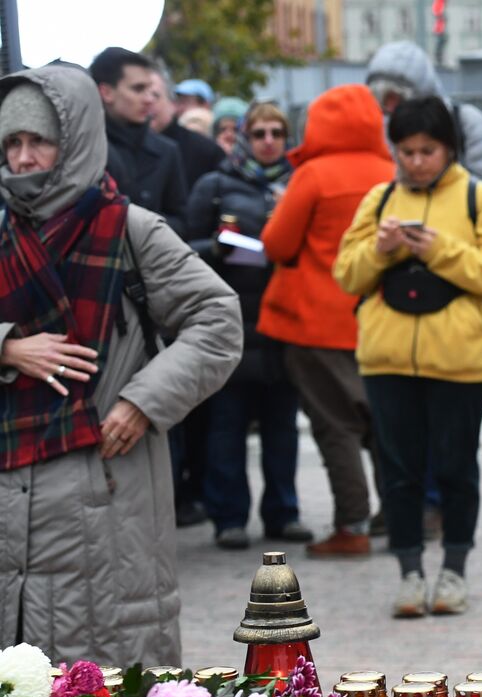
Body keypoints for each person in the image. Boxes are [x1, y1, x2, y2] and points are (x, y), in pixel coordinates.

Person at [0, 65, 241, 664]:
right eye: (12, 144)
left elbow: (217, 320)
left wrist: (142, 401)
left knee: (107, 691)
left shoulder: (131, 230)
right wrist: (5, 346)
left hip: (107, 486)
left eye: (39, 142)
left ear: (75, 139)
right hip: (9, 488)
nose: (24, 159)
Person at [334, 97, 482, 617]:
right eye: (407, 151)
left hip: (462, 364)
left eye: (428, 150)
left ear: (449, 149)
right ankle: (410, 574)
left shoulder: (477, 199)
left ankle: (454, 572)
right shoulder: (378, 199)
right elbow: (346, 275)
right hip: (387, 360)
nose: (417, 161)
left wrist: (438, 249)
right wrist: (382, 248)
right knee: (398, 471)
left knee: (457, 469)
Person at [258, 84, 395, 558]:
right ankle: (399, 516)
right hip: (377, 320)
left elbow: (276, 244)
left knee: (334, 425)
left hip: (315, 322)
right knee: (382, 424)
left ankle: (351, 525)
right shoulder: (391, 172)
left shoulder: (313, 174)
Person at [187, 101, 312, 550]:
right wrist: (216, 248)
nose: (268, 142)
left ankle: (284, 512)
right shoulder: (215, 184)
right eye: (258, 133)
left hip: (283, 325)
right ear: (244, 136)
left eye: (277, 133)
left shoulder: (299, 183)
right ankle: (229, 518)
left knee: (282, 428)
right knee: (227, 427)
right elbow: (183, 248)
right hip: (231, 324)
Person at [365, 41, 482, 199]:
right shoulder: (377, 128)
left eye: (398, 96)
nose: (391, 107)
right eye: (382, 97)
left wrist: (445, 197)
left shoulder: (465, 121)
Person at [89, 47, 187, 238]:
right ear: (106, 92)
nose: (149, 99)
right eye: (138, 89)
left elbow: (182, 223)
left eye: (150, 90)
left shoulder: (167, 151)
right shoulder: (86, 148)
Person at [150, 72, 224, 193]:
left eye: (186, 102)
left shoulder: (208, 150)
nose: (179, 108)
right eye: (179, 101)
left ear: (205, 104)